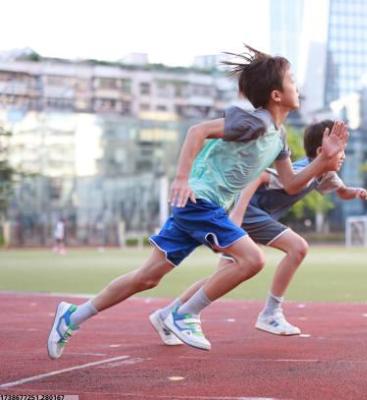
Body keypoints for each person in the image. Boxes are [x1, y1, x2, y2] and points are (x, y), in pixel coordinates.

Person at [47, 45, 348, 359]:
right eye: (291, 80)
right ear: (275, 95)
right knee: (251, 259)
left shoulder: (279, 137)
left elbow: (290, 184)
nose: (297, 87)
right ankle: (184, 314)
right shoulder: (253, 123)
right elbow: (198, 130)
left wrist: (323, 162)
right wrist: (181, 178)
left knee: (147, 277)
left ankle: (72, 317)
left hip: (202, 206)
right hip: (198, 200)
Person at [149, 120, 367, 344]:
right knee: (298, 247)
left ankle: (167, 314)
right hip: (250, 215)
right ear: (322, 151)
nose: (343, 156)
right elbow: (259, 176)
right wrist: (238, 214)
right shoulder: (302, 170)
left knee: (222, 276)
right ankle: (271, 313)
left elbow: (341, 191)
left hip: (250, 220)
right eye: (341, 151)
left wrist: (355, 192)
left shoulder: (326, 175)